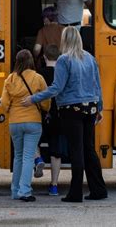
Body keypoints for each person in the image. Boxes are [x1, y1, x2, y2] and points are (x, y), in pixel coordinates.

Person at [22, 26, 107, 203]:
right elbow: (97, 85)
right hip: (90, 107)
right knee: (89, 149)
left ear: (65, 40)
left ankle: (75, 193)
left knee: (76, 151)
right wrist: (99, 108)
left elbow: (57, 88)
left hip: (71, 109)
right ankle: (99, 189)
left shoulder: (64, 60)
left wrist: (34, 98)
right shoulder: (90, 58)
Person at [0, 50, 50, 202]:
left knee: (18, 157)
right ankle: (25, 191)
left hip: (15, 123)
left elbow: (4, 103)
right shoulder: (38, 78)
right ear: (30, 61)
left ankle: (15, 191)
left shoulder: (10, 79)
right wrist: (43, 108)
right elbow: (46, 102)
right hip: (33, 122)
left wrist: (11, 111)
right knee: (29, 157)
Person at [38, 45, 68, 196]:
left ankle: (38, 161)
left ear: (44, 57)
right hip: (59, 116)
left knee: (33, 142)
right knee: (56, 152)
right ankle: (54, 185)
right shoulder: (62, 73)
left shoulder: (39, 74)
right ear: (60, 57)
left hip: (41, 116)